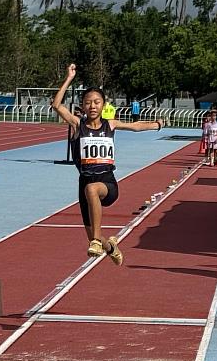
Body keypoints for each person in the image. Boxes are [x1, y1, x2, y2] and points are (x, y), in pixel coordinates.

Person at [51, 63, 166, 264]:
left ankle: (97, 240)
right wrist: (69, 78)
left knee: (93, 190)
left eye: (97, 102)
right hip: (84, 183)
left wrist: (156, 125)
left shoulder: (110, 124)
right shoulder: (78, 124)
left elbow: (135, 126)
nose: (92, 106)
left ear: (103, 105)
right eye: (88, 103)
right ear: (82, 106)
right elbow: (57, 105)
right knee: (91, 232)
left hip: (107, 182)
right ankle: (109, 245)